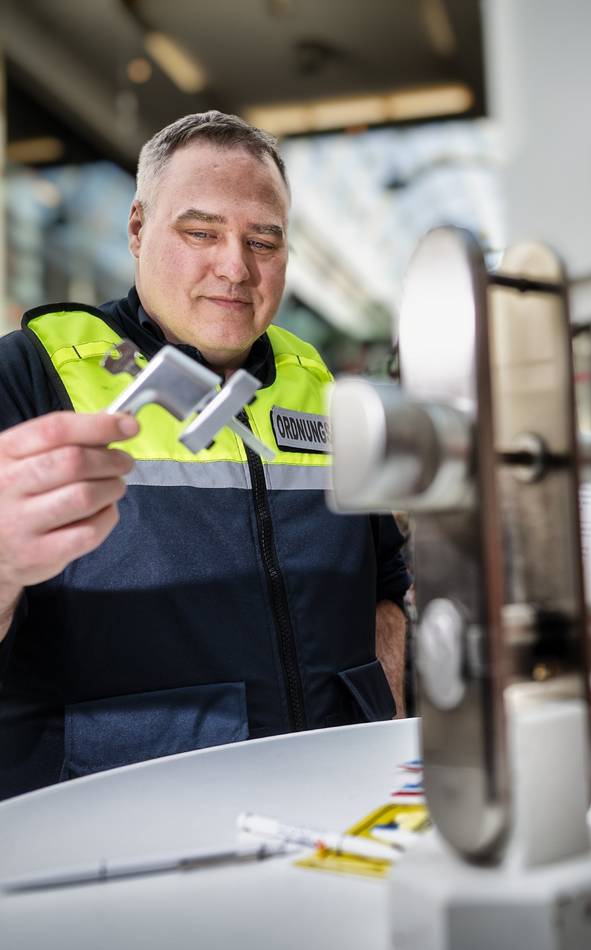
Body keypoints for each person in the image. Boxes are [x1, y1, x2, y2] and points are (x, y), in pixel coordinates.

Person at [0, 111, 412, 800]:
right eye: (200, 232)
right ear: (137, 230)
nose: (235, 267)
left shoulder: (318, 385)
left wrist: (388, 708)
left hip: (336, 800)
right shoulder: (31, 374)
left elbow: (383, 582)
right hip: (116, 820)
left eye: (264, 240)